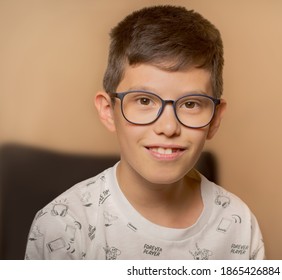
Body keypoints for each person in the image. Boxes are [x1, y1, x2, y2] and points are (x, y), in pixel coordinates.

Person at [25, 5, 265, 260]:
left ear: (215, 118)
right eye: (144, 101)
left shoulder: (239, 226)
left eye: (191, 104)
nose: (168, 127)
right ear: (108, 111)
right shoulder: (61, 227)